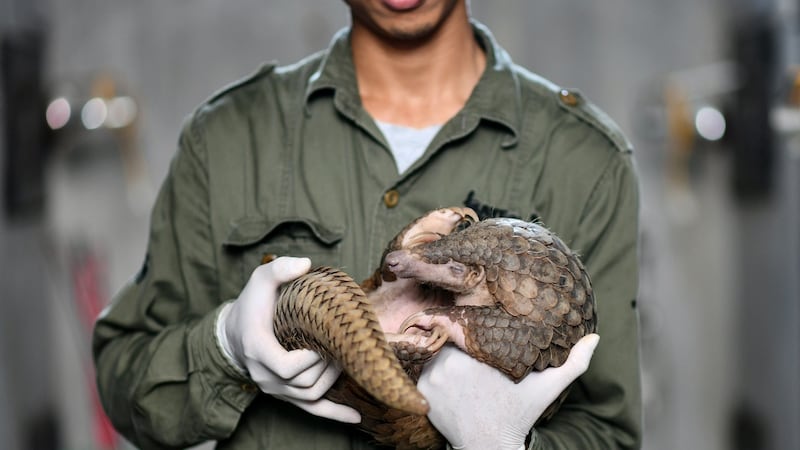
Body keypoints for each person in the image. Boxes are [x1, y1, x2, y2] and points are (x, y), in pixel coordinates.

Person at [92, 0, 642, 449]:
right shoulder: (226, 138)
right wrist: (225, 346)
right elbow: (125, 378)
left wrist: (504, 445)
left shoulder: (585, 160)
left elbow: (607, 431)